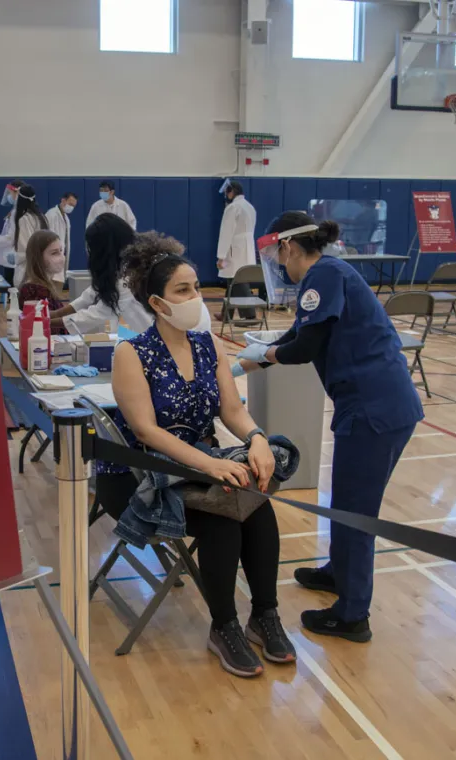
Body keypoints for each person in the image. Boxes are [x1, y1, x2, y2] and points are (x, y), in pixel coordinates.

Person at [96, 232, 295, 678]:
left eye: (196, 287)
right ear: (158, 303)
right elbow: (146, 431)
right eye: (182, 290)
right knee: (225, 517)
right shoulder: (131, 352)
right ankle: (223, 627)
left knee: (256, 502)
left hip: (197, 470)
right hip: (139, 477)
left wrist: (258, 439)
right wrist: (210, 464)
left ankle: (264, 615)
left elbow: (232, 409)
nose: (195, 297)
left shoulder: (208, 345)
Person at [237, 211, 423, 642]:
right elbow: (299, 333)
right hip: (376, 405)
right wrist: (262, 349)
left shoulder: (324, 275)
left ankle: (354, 614)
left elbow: (305, 348)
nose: (277, 261)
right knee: (347, 500)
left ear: (288, 246)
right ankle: (339, 573)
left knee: (356, 513)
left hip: (374, 410)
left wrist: (263, 359)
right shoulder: (326, 276)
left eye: (276, 252)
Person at [52, 215, 211, 335]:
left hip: (184, 330)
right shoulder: (132, 262)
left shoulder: (130, 275)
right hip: (178, 329)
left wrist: (45, 323)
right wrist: (50, 317)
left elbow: (97, 313)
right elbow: (91, 296)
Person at [216, 180, 258, 320]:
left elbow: (226, 233)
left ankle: (249, 314)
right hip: (247, 248)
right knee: (234, 281)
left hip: (234, 249)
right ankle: (226, 315)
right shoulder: (250, 207)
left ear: (232, 192)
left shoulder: (233, 207)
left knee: (237, 281)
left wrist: (221, 256)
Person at [18, 230, 67, 333]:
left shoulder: (45, 285)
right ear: (38, 257)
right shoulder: (34, 290)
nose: (61, 257)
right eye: (54, 253)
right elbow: (48, 329)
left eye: (61, 251)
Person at [8, 184, 49, 287]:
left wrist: (16, 257)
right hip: (42, 269)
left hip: (27, 271)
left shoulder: (24, 219)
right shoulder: (42, 217)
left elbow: (26, 248)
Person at [0, 179, 25, 285]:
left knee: (14, 290)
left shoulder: (18, 213)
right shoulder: (16, 211)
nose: (8, 196)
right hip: (14, 258)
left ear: (17, 192)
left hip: (16, 258)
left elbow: (11, 238)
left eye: (10, 193)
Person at [44, 191, 77, 283]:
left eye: (74, 206)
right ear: (63, 200)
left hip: (61, 254)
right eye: (70, 204)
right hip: (52, 254)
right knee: (51, 281)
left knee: (59, 281)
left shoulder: (66, 217)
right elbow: (47, 237)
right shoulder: (51, 215)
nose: (71, 207)